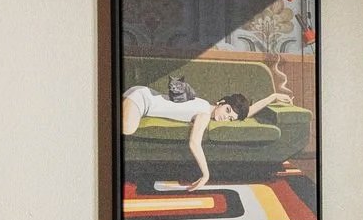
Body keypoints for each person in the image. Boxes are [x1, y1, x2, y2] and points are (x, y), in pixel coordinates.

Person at [121, 81, 292, 191]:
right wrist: (206, 175)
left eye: (231, 118)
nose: (226, 117)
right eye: (227, 110)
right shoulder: (203, 112)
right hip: (143, 98)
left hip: (145, 97)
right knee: (127, 129)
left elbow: (245, 113)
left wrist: (273, 96)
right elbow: (194, 143)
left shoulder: (207, 109)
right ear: (221, 102)